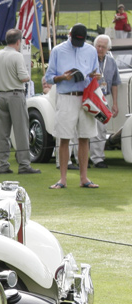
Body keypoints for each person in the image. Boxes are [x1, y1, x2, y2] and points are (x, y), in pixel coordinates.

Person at [45, 24, 101, 188]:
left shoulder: (90, 51)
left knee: (85, 137)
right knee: (64, 138)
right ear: (70, 35)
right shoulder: (58, 50)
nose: (79, 44)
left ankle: (84, 178)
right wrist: (61, 77)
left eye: (81, 41)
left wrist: (94, 75)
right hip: (66, 97)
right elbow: (48, 78)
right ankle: (63, 179)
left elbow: (95, 74)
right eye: (76, 41)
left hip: (85, 97)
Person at [0, 29, 39, 175]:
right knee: (21, 131)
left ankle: (3, 165)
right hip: (16, 94)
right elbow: (24, 77)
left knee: (2, 133)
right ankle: (24, 164)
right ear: (18, 42)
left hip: (1, 95)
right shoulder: (17, 56)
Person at [90, 34, 120, 168]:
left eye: (103, 47)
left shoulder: (111, 61)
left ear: (108, 48)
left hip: (104, 97)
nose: (100, 49)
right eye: (98, 46)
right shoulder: (89, 59)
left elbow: (114, 83)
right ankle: (80, 157)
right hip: (90, 96)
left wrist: (114, 103)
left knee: (101, 128)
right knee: (85, 127)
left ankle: (98, 158)